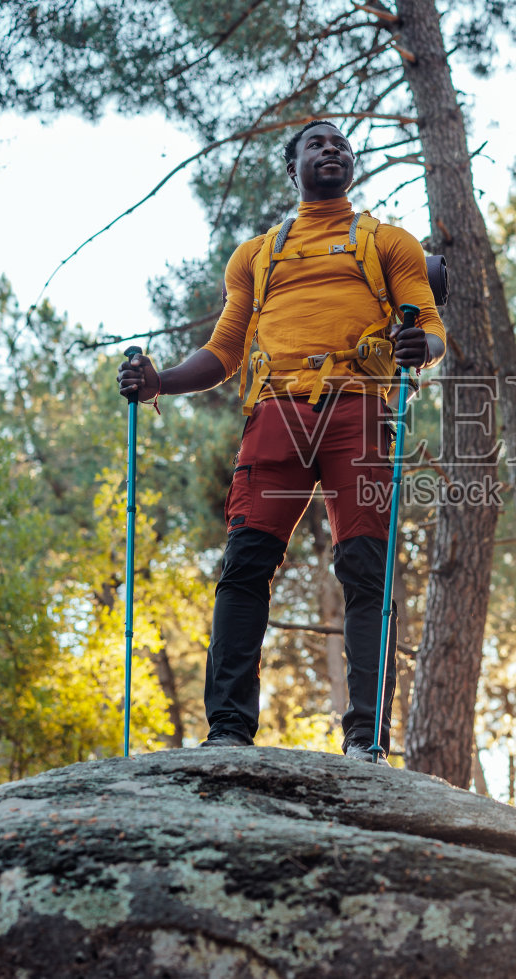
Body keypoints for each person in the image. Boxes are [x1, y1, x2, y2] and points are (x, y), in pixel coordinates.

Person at [117, 119, 445, 761]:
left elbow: (429, 330)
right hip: (275, 413)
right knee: (245, 566)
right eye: (317, 143)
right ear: (291, 167)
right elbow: (223, 351)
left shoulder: (389, 243)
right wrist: (158, 382)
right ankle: (229, 732)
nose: (334, 148)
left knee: (366, 572)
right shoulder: (255, 256)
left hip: (361, 409)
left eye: (342, 144)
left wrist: (419, 348)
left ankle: (367, 741)